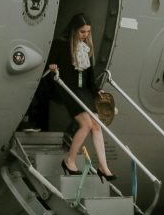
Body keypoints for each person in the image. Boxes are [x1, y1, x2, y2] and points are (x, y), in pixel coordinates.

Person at [46, 13, 115, 179]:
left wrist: (96, 90)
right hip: (68, 89)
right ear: (74, 30)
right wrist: (53, 67)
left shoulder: (86, 48)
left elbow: (90, 76)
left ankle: (103, 167)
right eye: (82, 32)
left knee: (97, 126)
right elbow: (49, 64)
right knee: (85, 124)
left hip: (84, 91)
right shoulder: (61, 44)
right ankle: (69, 161)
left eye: (88, 32)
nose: (86, 35)